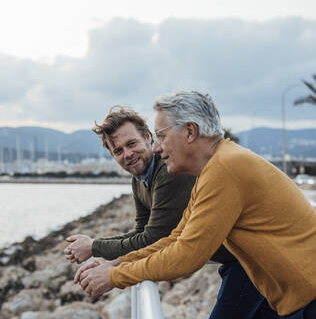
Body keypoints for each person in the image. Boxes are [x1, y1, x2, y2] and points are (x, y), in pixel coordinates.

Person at [74, 92, 316, 318]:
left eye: (161, 136)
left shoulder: (225, 168)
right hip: (293, 297)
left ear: (190, 132)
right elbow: (175, 238)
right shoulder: (211, 171)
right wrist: (118, 262)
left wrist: (115, 276)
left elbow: (186, 255)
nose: (157, 147)